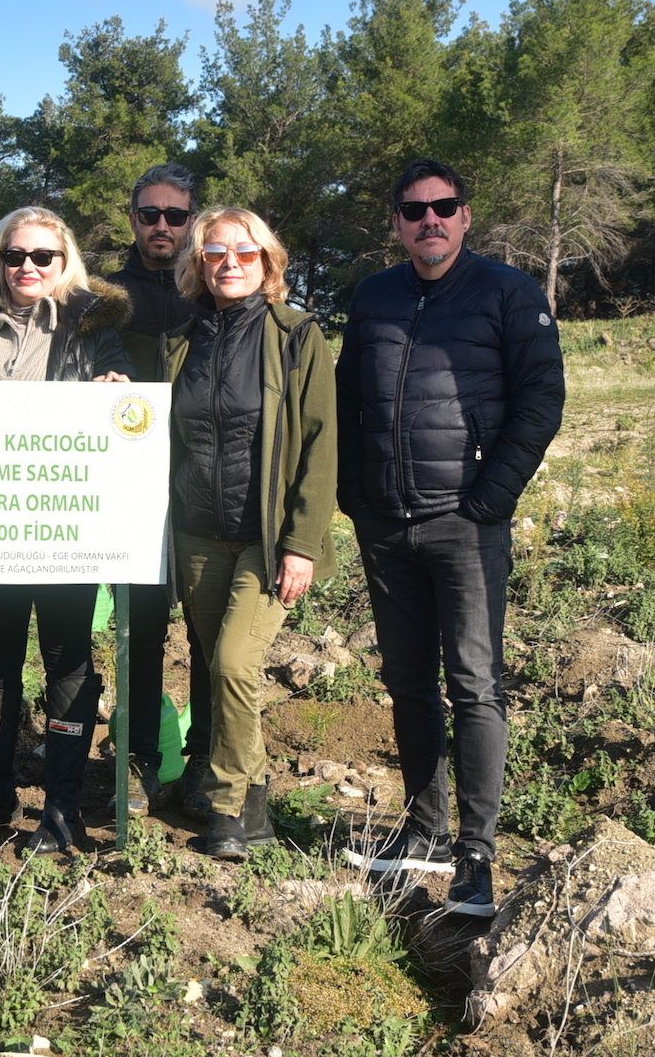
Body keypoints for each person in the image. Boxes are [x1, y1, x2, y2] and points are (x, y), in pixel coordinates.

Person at [335, 157, 565, 917]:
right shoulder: (372, 297)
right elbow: (344, 401)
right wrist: (352, 494)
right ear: (396, 223)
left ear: (466, 215)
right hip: (387, 525)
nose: (428, 220)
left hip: (465, 526)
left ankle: (476, 856)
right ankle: (423, 831)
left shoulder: (507, 292)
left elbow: (541, 399)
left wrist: (489, 499)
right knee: (406, 681)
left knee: (472, 683)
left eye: (443, 206)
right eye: (412, 210)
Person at [0, 206, 132, 856]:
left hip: (63, 524)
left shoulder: (93, 325)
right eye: (14, 256)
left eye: (41, 257)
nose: (26, 267)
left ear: (64, 262)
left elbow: (122, 393)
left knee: (66, 660)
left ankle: (61, 809)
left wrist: (117, 388)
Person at [160, 209, 336, 859]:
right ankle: (256, 796)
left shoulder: (295, 335)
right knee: (217, 666)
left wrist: (303, 543)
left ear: (267, 262)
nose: (229, 261)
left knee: (235, 661)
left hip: (264, 541)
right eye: (215, 251)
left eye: (245, 251)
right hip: (197, 536)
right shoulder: (180, 340)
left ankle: (228, 805)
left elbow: (321, 444)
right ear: (198, 264)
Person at [101, 164, 214, 820]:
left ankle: (202, 762)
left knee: (205, 629)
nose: (162, 226)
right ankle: (139, 756)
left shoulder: (214, 288)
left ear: (192, 217)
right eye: (150, 215)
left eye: (175, 215)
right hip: (129, 489)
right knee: (138, 629)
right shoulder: (104, 294)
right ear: (132, 217)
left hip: (204, 483)